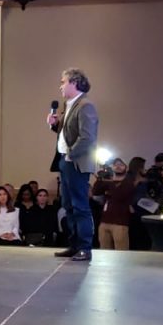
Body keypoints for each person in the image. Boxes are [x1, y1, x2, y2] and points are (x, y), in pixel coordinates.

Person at [47, 67, 99, 261]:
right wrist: (54, 124)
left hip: (75, 163)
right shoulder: (69, 104)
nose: (60, 86)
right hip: (65, 161)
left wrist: (71, 154)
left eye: (63, 82)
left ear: (74, 83)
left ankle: (85, 247)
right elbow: (66, 133)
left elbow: (87, 138)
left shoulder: (85, 106)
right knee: (68, 205)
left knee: (80, 206)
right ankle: (74, 245)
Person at [93, 157, 143, 250]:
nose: (118, 166)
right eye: (115, 165)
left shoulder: (129, 182)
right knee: (104, 252)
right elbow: (95, 191)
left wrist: (109, 185)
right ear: (112, 167)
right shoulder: (108, 181)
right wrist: (100, 179)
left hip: (120, 223)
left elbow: (120, 195)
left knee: (121, 252)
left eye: (121, 164)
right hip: (104, 221)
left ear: (126, 168)